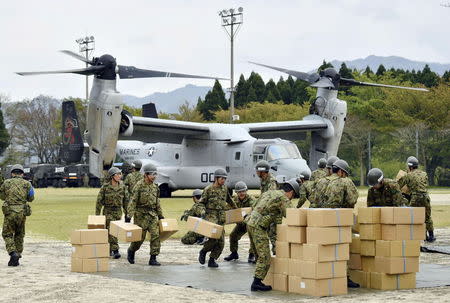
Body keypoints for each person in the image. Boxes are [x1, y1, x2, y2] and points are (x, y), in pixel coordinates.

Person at [246, 179, 298, 291]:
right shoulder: (282, 198)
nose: (291, 199)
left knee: (259, 255)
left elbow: (254, 205)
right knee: (265, 257)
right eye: (292, 197)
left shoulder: (268, 192)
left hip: (250, 223)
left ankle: (258, 280)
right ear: (291, 192)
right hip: (258, 226)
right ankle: (256, 283)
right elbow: (292, 215)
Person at [321, 159, 359, 288]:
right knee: (343, 249)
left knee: (330, 250)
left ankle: (330, 275)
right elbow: (352, 199)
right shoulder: (346, 182)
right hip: (341, 220)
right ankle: (345, 278)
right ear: (342, 172)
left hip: (327, 219)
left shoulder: (328, 183)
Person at [197, 168, 236, 268]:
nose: (223, 180)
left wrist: (237, 210)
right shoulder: (208, 189)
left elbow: (229, 199)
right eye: (222, 178)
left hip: (221, 218)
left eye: (225, 178)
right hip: (211, 217)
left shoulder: (225, 188)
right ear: (216, 178)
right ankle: (203, 251)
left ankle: (212, 259)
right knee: (214, 238)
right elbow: (201, 203)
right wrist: (202, 211)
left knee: (221, 242)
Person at [127, 163, 164, 266]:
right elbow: (133, 201)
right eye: (152, 174)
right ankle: (131, 250)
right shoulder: (139, 185)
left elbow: (157, 202)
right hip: (140, 215)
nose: (154, 177)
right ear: (146, 174)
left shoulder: (155, 187)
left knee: (155, 236)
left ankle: (153, 258)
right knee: (139, 238)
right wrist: (129, 215)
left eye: (155, 174)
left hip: (152, 215)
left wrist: (160, 215)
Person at [1, 164, 35, 266]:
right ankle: (17, 255)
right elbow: (31, 198)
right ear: (22, 173)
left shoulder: (6, 183)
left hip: (9, 212)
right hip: (22, 213)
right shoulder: (27, 184)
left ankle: (12, 253)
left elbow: (2, 197)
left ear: (12, 173)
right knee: (19, 234)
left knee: (7, 234)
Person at [398, 156, 435, 242]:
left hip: (415, 198)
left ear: (410, 167)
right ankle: (431, 236)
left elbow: (398, 186)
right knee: (427, 217)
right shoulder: (424, 174)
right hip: (426, 197)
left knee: (412, 217)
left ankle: (417, 235)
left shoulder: (408, 175)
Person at [95, 167, 128, 259]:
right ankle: (115, 250)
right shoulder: (105, 187)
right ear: (112, 176)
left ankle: (109, 249)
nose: (119, 176)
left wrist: (127, 214)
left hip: (118, 212)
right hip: (108, 211)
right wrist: (97, 216)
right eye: (117, 174)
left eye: (120, 174)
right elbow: (99, 201)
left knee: (114, 232)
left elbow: (126, 201)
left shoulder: (122, 186)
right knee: (111, 229)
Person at [224, 181, 257, 263]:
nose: (241, 193)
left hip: (250, 223)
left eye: (243, 191)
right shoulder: (235, 200)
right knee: (233, 235)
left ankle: (251, 254)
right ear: (236, 193)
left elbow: (255, 210)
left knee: (253, 237)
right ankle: (234, 253)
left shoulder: (251, 199)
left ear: (246, 191)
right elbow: (227, 209)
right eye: (239, 192)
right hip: (241, 224)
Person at [255, 160, 278, 255]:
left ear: (262, 171)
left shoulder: (271, 181)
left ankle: (278, 255)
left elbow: (271, 197)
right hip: (266, 211)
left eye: (257, 171)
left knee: (273, 235)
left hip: (272, 211)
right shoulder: (263, 180)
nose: (256, 173)